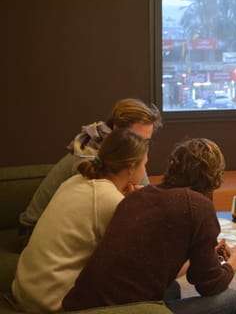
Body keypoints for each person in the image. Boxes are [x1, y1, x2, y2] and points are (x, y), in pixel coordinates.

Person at [62, 138, 236, 314]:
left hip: (80, 305)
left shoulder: (138, 196)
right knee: (235, 300)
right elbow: (209, 284)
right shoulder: (198, 206)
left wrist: (205, 252)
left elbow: (157, 260)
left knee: (172, 289)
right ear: (215, 176)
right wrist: (234, 262)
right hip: (122, 309)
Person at [11, 128, 149, 313]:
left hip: (24, 292)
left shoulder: (76, 181)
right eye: (144, 164)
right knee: (153, 286)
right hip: (51, 303)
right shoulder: (108, 200)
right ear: (131, 167)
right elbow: (139, 259)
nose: (145, 170)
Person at [18, 98, 162, 238]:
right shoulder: (89, 159)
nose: (142, 148)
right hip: (33, 231)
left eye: (146, 142)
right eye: (136, 139)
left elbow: (145, 192)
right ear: (117, 129)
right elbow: (123, 205)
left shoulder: (117, 150)